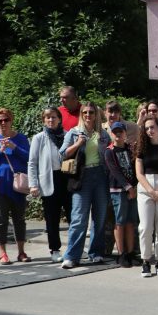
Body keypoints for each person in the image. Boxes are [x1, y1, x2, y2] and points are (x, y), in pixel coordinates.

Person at [59, 102, 112, 269]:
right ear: (81, 115)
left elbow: (110, 155)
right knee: (79, 218)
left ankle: (96, 253)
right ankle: (71, 256)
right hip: (82, 177)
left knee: (99, 217)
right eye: (85, 112)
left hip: (100, 176)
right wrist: (77, 144)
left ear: (96, 115)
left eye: (91, 112)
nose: (88, 115)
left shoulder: (103, 134)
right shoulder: (74, 132)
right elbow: (62, 154)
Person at [0, 108, 31, 264]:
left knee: (19, 219)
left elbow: (29, 157)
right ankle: (3, 253)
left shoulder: (21, 138)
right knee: (1, 219)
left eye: (6, 119)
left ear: (11, 120)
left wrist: (14, 147)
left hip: (18, 184)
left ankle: (21, 252)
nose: (3, 123)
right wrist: (0, 151)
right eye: (0, 120)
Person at [27, 107, 69, 263]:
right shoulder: (39, 138)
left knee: (73, 216)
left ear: (59, 119)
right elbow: (32, 163)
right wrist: (33, 184)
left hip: (67, 178)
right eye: (47, 117)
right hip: (49, 180)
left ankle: (74, 247)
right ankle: (55, 249)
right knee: (52, 219)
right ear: (44, 120)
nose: (51, 120)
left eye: (54, 117)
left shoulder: (67, 135)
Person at [135, 115, 158, 277]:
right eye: (147, 128)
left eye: (152, 127)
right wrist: (151, 191)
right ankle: (145, 261)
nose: (150, 130)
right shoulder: (141, 147)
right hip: (145, 187)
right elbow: (139, 173)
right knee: (145, 226)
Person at [105, 121, 139, 268]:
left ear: (125, 133)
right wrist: (128, 187)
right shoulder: (109, 151)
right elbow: (115, 171)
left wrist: (134, 186)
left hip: (132, 190)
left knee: (131, 221)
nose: (118, 134)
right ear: (111, 134)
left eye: (121, 131)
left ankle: (130, 252)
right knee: (120, 221)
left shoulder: (130, 149)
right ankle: (121, 253)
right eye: (115, 132)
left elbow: (135, 167)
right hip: (118, 190)